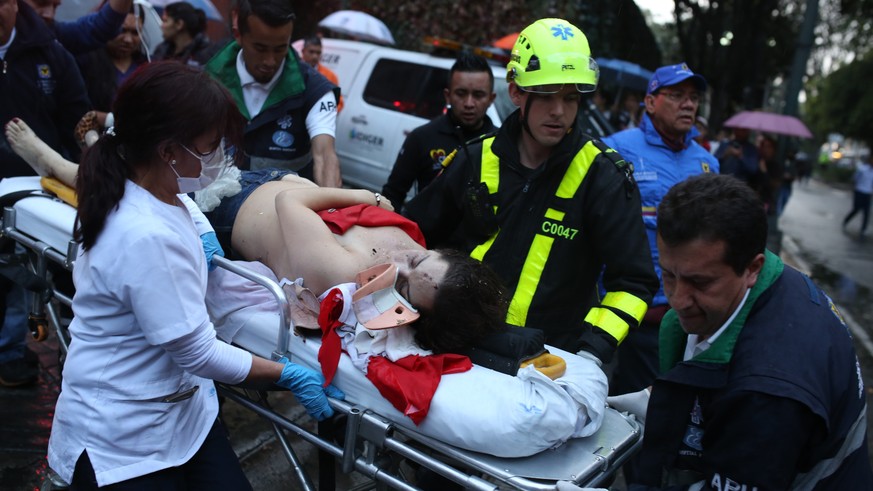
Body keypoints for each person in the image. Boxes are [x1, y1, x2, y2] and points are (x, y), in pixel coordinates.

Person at [43, 62, 343, 489]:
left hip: (186, 415)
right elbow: (200, 354)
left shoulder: (150, 185)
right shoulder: (145, 237)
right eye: (211, 146)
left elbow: (184, 206)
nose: (220, 155)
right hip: (124, 437)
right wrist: (287, 374)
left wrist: (203, 232)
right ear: (168, 151)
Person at [5, 118, 510, 355]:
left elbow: (293, 206)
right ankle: (105, 140)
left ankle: (63, 166)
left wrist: (363, 194)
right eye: (420, 259)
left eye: (404, 285)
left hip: (233, 211)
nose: (400, 265)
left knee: (128, 189)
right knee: (159, 147)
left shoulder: (348, 276)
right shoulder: (415, 248)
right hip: (268, 181)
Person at [404, 18, 659, 364]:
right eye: (547, 95)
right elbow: (414, 235)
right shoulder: (474, 158)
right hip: (459, 347)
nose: (559, 111)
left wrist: (591, 353)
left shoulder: (603, 177)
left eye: (571, 98)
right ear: (516, 92)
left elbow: (633, 283)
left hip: (549, 360)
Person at [612, 173, 873, 489]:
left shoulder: (766, 393)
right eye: (668, 275)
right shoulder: (775, 281)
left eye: (700, 282)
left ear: (752, 268)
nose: (678, 299)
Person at [601, 62, 718, 401]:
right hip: (629, 313)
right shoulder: (615, 149)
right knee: (627, 405)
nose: (688, 104)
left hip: (688, 317)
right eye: (677, 95)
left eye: (693, 97)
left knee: (675, 404)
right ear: (650, 102)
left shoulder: (707, 162)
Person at [0, 0, 90, 387]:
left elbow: (77, 117)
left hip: (36, 185)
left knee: (27, 271)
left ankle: (12, 353)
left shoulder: (50, 53)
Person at [205, 0, 342, 187]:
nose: (270, 61)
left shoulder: (316, 90)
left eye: (280, 49)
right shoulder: (209, 80)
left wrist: (331, 201)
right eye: (260, 48)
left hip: (284, 203)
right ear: (238, 35)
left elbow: (325, 156)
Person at [381, 51, 497, 213]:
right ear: (447, 96)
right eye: (461, 94)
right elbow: (392, 196)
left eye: (478, 95)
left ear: (491, 99)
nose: (469, 103)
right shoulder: (421, 138)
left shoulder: (502, 143)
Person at [24, 0, 130, 55]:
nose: (49, 14)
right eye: (41, 3)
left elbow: (101, 27)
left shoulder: (52, 38)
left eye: (55, 7)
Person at [151, 1, 219, 66]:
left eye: (165, 21)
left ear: (179, 24)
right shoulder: (162, 50)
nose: (162, 25)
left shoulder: (206, 55)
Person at [299, 35, 343, 112]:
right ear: (303, 51)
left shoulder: (330, 75)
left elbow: (338, 102)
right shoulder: (293, 71)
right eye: (311, 52)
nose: (315, 56)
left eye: (318, 53)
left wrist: (323, 113)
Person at [842, 158, 873, 238]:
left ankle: (863, 229)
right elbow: (855, 178)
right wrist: (853, 188)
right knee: (856, 209)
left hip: (868, 193)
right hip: (859, 191)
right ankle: (846, 220)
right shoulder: (862, 169)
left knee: (866, 212)